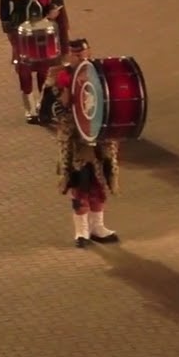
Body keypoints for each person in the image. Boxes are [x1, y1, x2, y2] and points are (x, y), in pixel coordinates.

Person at [51, 39, 120, 248]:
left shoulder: (98, 73)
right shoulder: (60, 76)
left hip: (98, 138)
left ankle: (97, 227)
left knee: (99, 183)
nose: (80, 57)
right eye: (76, 54)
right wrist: (68, 88)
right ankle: (81, 232)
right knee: (80, 185)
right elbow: (56, 108)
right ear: (69, 55)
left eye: (83, 53)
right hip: (76, 142)